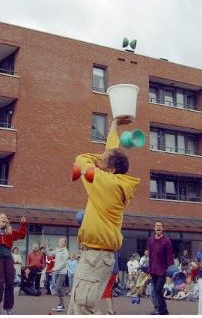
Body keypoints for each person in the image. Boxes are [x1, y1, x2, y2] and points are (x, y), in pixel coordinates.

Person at [67, 117, 141, 315]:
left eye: (102, 161)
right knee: (76, 307)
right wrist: (115, 127)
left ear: (110, 169)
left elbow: (81, 160)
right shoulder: (113, 180)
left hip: (96, 256)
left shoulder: (105, 182)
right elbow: (111, 153)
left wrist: (99, 159)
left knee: (82, 308)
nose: (99, 162)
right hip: (95, 255)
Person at [0, 212, 27, 315]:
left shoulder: (9, 232)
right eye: (2, 218)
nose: (4, 219)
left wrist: (23, 224)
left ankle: (8, 307)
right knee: (0, 281)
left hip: (8, 257)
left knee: (10, 282)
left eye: (6, 218)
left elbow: (22, 235)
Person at [147, 220, 174, 315]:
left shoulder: (166, 241)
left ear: (162, 228)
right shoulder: (150, 240)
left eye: (160, 226)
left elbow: (170, 258)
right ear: (154, 228)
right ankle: (160, 309)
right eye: (156, 225)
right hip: (153, 270)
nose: (158, 227)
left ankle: (163, 310)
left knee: (158, 290)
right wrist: (149, 270)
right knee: (155, 291)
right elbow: (150, 256)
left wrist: (169, 274)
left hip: (163, 270)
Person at [50, 237, 69, 312]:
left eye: (62, 242)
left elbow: (63, 263)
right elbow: (49, 254)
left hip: (62, 273)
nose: (60, 243)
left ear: (65, 243)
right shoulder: (57, 250)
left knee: (58, 288)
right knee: (58, 288)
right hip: (57, 272)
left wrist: (54, 269)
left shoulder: (65, 251)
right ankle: (61, 305)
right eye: (59, 241)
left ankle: (62, 305)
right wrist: (46, 248)